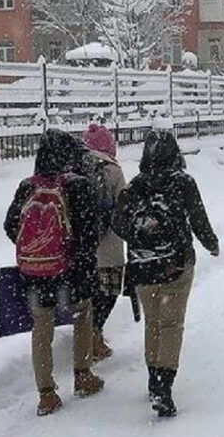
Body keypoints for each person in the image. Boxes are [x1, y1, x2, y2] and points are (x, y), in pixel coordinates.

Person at [112, 130, 219, 418]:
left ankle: (152, 379)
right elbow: (198, 218)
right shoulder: (183, 183)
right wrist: (211, 243)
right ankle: (164, 387)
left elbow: (117, 222)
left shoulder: (135, 185)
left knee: (154, 324)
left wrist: (140, 237)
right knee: (171, 325)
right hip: (176, 264)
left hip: (143, 265)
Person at [4, 129, 104, 417]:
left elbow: (10, 225)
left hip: (35, 272)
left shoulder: (27, 186)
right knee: (83, 315)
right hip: (71, 271)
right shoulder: (77, 185)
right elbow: (88, 233)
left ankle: (46, 394)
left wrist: (37, 248)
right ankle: (83, 375)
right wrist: (76, 260)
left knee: (41, 328)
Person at [83, 122, 127, 361]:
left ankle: (86, 334)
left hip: (82, 248)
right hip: (109, 247)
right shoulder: (113, 170)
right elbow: (125, 206)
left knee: (87, 294)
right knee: (108, 292)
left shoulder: (75, 168)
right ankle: (95, 334)